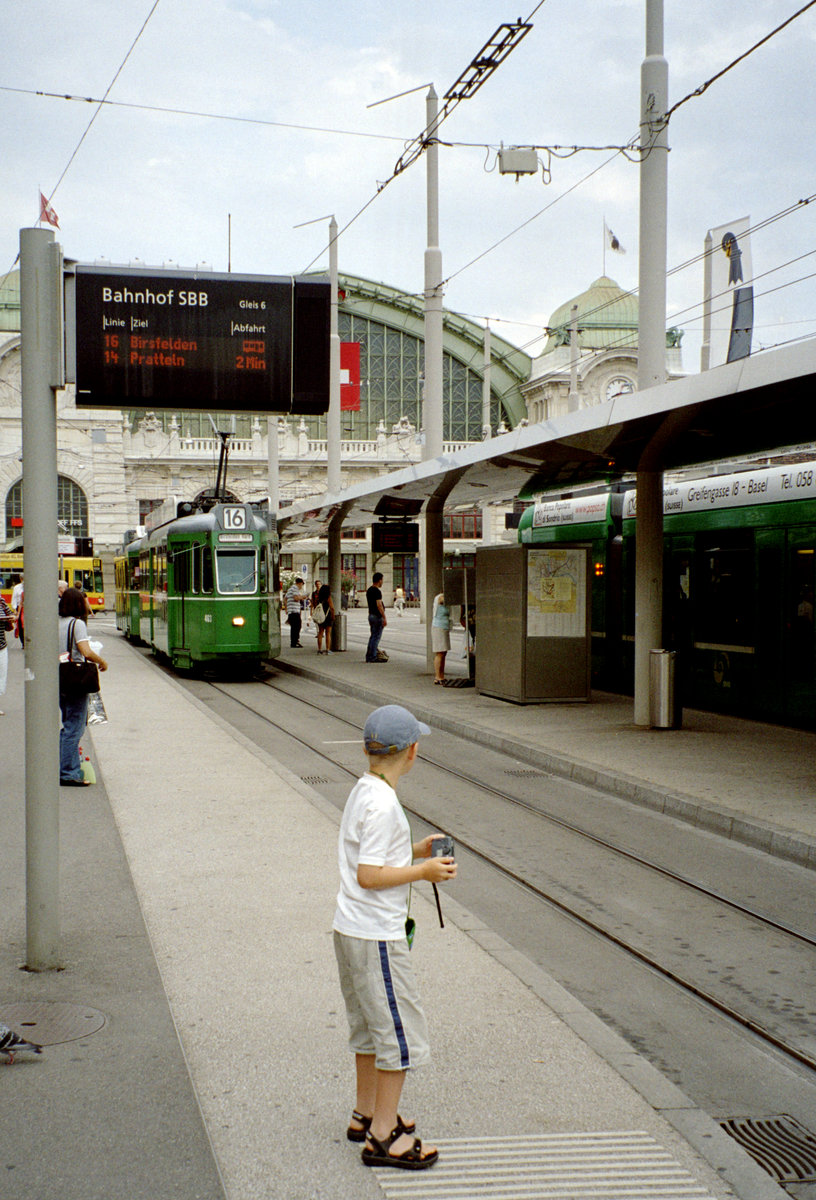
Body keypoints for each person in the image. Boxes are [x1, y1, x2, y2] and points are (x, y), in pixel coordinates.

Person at [333, 704, 456, 1171]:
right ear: (412, 752)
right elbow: (369, 874)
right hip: (377, 937)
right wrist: (423, 871)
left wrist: (415, 851)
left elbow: (372, 856)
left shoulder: (364, 790)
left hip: (350, 929)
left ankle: (366, 1113)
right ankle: (385, 1139)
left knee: (368, 1027)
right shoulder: (385, 803)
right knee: (399, 1035)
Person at [58, 586, 108, 786]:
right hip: (75, 679)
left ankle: (67, 766)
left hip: (59, 676)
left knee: (68, 724)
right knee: (75, 727)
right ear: (79, 604)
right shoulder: (76, 624)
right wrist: (101, 661)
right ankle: (69, 772)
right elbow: (85, 651)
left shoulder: (56, 622)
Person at [365, 572, 387, 663]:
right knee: (376, 637)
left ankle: (368, 655)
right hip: (377, 616)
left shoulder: (369, 590)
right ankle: (372, 656)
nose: (382, 582)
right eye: (382, 580)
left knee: (372, 636)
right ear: (379, 580)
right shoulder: (377, 591)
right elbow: (379, 605)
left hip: (371, 615)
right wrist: (384, 617)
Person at [431, 593, 451, 684]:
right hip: (438, 627)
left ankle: (442, 676)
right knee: (439, 652)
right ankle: (437, 677)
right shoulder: (440, 597)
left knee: (444, 652)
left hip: (444, 627)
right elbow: (443, 600)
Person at [0, 595, 13, 714]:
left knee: (1, 676)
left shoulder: (1, 600)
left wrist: (10, 618)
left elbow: (11, 615)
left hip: (1, 645)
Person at [284, 577, 306, 647]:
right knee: (297, 626)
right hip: (294, 610)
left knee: (294, 626)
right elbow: (296, 598)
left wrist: (286, 609)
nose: (301, 587)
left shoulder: (290, 589)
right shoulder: (295, 588)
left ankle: (294, 641)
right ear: (299, 583)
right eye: (302, 585)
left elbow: (285, 598)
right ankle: (294, 642)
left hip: (291, 610)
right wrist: (303, 597)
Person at [315, 580, 335, 654]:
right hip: (328, 616)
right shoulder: (328, 597)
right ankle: (327, 649)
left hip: (321, 616)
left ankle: (319, 649)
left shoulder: (319, 598)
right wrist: (333, 615)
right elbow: (332, 607)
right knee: (328, 633)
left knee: (320, 633)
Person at [11, 574, 24, 648]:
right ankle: (23, 642)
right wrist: (15, 609)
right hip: (20, 608)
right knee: (20, 625)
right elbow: (14, 599)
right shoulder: (17, 588)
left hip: (28, 607)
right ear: (21, 579)